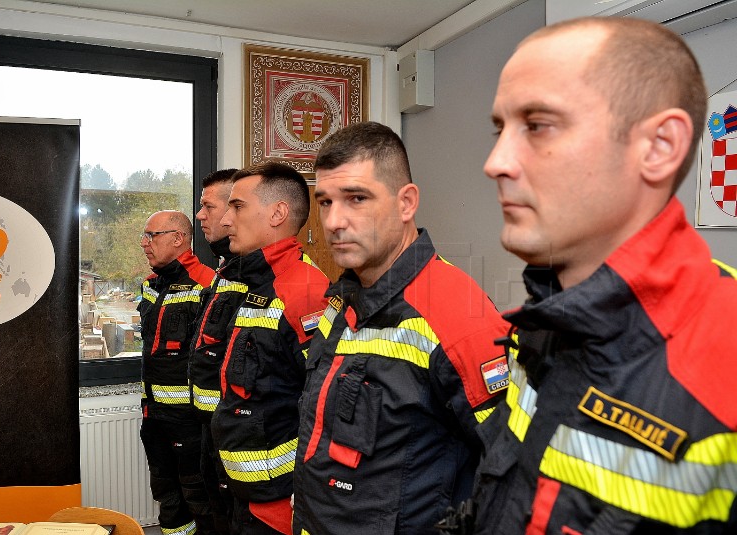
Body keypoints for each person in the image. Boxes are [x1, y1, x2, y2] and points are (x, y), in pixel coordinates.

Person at [471, 17, 737, 534]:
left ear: (659, 147)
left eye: (539, 125)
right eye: (500, 129)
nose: (495, 162)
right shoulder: (546, 320)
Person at [292, 121, 510, 535]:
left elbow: (508, 469)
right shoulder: (341, 300)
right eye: (325, 202)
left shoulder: (458, 315)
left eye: (356, 198)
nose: (334, 221)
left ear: (406, 203)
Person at [209, 162, 331, 535]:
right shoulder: (256, 284)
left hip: (279, 505)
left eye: (238, 207)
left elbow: (324, 406)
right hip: (244, 489)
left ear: (278, 213)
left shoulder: (306, 291)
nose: (227, 220)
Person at [138, 210, 216, 535]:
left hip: (191, 422)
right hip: (154, 417)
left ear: (178, 239)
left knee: (200, 500)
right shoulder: (150, 285)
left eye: (151, 235)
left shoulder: (209, 285)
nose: (144, 243)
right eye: (144, 236)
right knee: (167, 499)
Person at [190, 168, 239, 534]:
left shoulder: (289, 281)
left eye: (208, 206)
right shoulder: (225, 273)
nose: (200, 215)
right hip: (211, 428)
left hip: (247, 444)